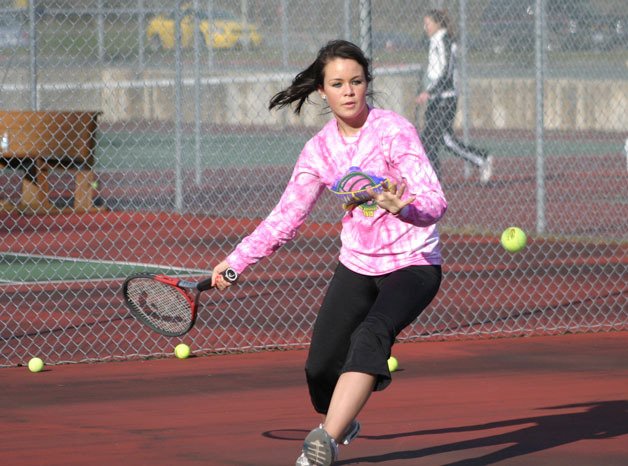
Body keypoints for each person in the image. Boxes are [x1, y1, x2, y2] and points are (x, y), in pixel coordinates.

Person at [211, 40, 447, 466]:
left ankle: (323, 443)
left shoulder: (394, 131)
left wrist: (405, 207)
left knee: (370, 335)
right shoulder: (319, 151)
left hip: (413, 263)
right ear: (323, 90)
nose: (349, 91)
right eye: (338, 84)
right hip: (357, 265)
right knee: (320, 368)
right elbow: (286, 217)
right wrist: (235, 262)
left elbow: (435, 202)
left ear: (367, 83)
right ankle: (341, 417)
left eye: (356, 81)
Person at [416, 9, 493, 184]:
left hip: (446, 97)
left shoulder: (445, 41)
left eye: (427, 23)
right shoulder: (434, 42)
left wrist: (430, 91)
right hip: (436, 97)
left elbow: (447, 72)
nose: (425, 27)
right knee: (429, 139)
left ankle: (481, 159)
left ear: (437, 24)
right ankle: (434, 179)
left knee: (443, 139)